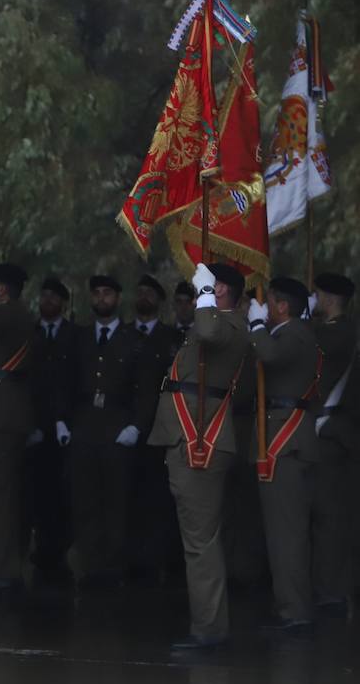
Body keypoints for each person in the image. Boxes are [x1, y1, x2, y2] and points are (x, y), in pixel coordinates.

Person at [149, 263, 250, 650]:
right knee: (198, 539)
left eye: (212, 286)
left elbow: (207, 330)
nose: (203, 290)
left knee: (201, 542)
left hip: (201, 441)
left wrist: (206, 295)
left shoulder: (230, 324)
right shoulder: (217, 321)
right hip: (189, 438)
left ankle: (208, 630)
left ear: (224, 290)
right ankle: (207, 625)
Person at [62, 275, 156, 586]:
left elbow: (145, 390)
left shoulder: (133, 340)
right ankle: (90, 566)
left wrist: (136, 425)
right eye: (97, 293)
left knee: (117, 501)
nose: (102, 298)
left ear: (118, 298)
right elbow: (66, 382)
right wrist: (62, 420)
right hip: (85, 425)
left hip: (118, 425)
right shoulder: (79, 337)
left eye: (107, 293)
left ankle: (115, 567)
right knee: (85, 499)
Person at [249, 277, 323, 632]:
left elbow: (269, 355)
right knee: (285, 532)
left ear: (281, 307)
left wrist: (255, 324)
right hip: (288, 437)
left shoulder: (294, 334)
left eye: (270, 302)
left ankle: (293, 613)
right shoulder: (297, 333)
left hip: (286, 440)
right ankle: (291, 607)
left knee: (287, 534)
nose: (264, 307)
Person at [0, 263, 35, 591]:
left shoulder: (8, 314)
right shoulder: (14, 313)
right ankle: (0, 565)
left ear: (0, 289)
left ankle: (3, 570)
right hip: (4, 412)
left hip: (3, 414)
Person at [127, 274, 181, 582]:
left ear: (159, 302)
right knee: (129, 498)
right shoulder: (122, 334)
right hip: (125, 428)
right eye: (140, 291)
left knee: (158, 500)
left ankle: (160, 561)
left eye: (150, 293)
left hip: (159, 431)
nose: (144, 296)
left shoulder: (170, 338)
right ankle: (133, 561)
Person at [310, 272, 358, 612]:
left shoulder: (338, 332)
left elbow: (316, 349)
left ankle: (332, 590)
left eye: (317, 295)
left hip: (332, 435)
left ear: (327, 299)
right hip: (325, 434)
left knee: (331, 519)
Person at [28, 276, 76, 580]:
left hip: (65, 427)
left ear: (63, 304)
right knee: (36, 490)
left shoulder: (74, 334)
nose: (47, 302)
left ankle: (60, 549)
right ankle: (41, 547)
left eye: (54, 298)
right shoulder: (31, 333)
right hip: (35, 424)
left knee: (63, 491)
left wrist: (66, 420)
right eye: (44, 296)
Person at [172, 280, 196, 346]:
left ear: (195, 305)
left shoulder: (204, 334)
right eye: (179, 302)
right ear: (174, 305)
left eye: (188, 302)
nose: (184, 307)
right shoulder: (165, 334)